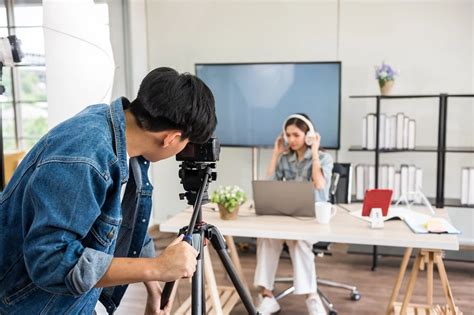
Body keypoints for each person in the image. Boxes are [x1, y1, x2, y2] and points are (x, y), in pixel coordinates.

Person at [0, 67, 217, 314]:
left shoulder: (121, 133)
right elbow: (51, 261)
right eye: (185, 143)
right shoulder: (86, 155)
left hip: (70, 301)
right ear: (170, 138)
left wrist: (153, 285)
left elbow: (126, 225)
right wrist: (157, 267)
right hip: (28, 306)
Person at [254, 114, 334, 315]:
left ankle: (312, 297)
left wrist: (314, 152)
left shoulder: (325, 158)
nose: (291, 139)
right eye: (288, 135)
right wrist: (275, 154)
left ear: (309, 135)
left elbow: (320, 186)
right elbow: (269, 185)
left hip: (312, 218)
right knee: (267, 237)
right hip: (286, 217)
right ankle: (267, 295)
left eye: (296, 135)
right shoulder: (284, 158)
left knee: (298, 241)